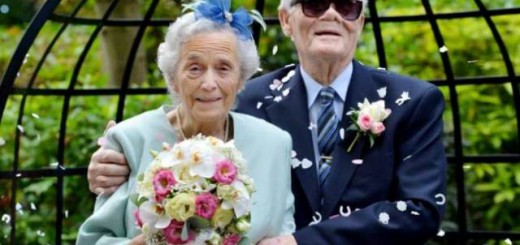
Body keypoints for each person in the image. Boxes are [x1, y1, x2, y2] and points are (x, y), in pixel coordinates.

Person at [88, 0, 447, 244]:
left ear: (361, 22)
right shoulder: (244, 98)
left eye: (348, 5)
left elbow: (422, 210)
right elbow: (183, 115)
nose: (332, 14)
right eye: (314, 3)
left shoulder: (412, 102)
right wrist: (115, 157)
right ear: (287, 20)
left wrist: (301, 243)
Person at [77, 1, 296, 244]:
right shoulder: (130, 140)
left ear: (241, 79)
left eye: (223, 68)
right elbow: (93, 240)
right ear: (173, 78)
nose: (209, 83)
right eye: (194, 68)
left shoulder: (274, 144)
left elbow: (283, 233)